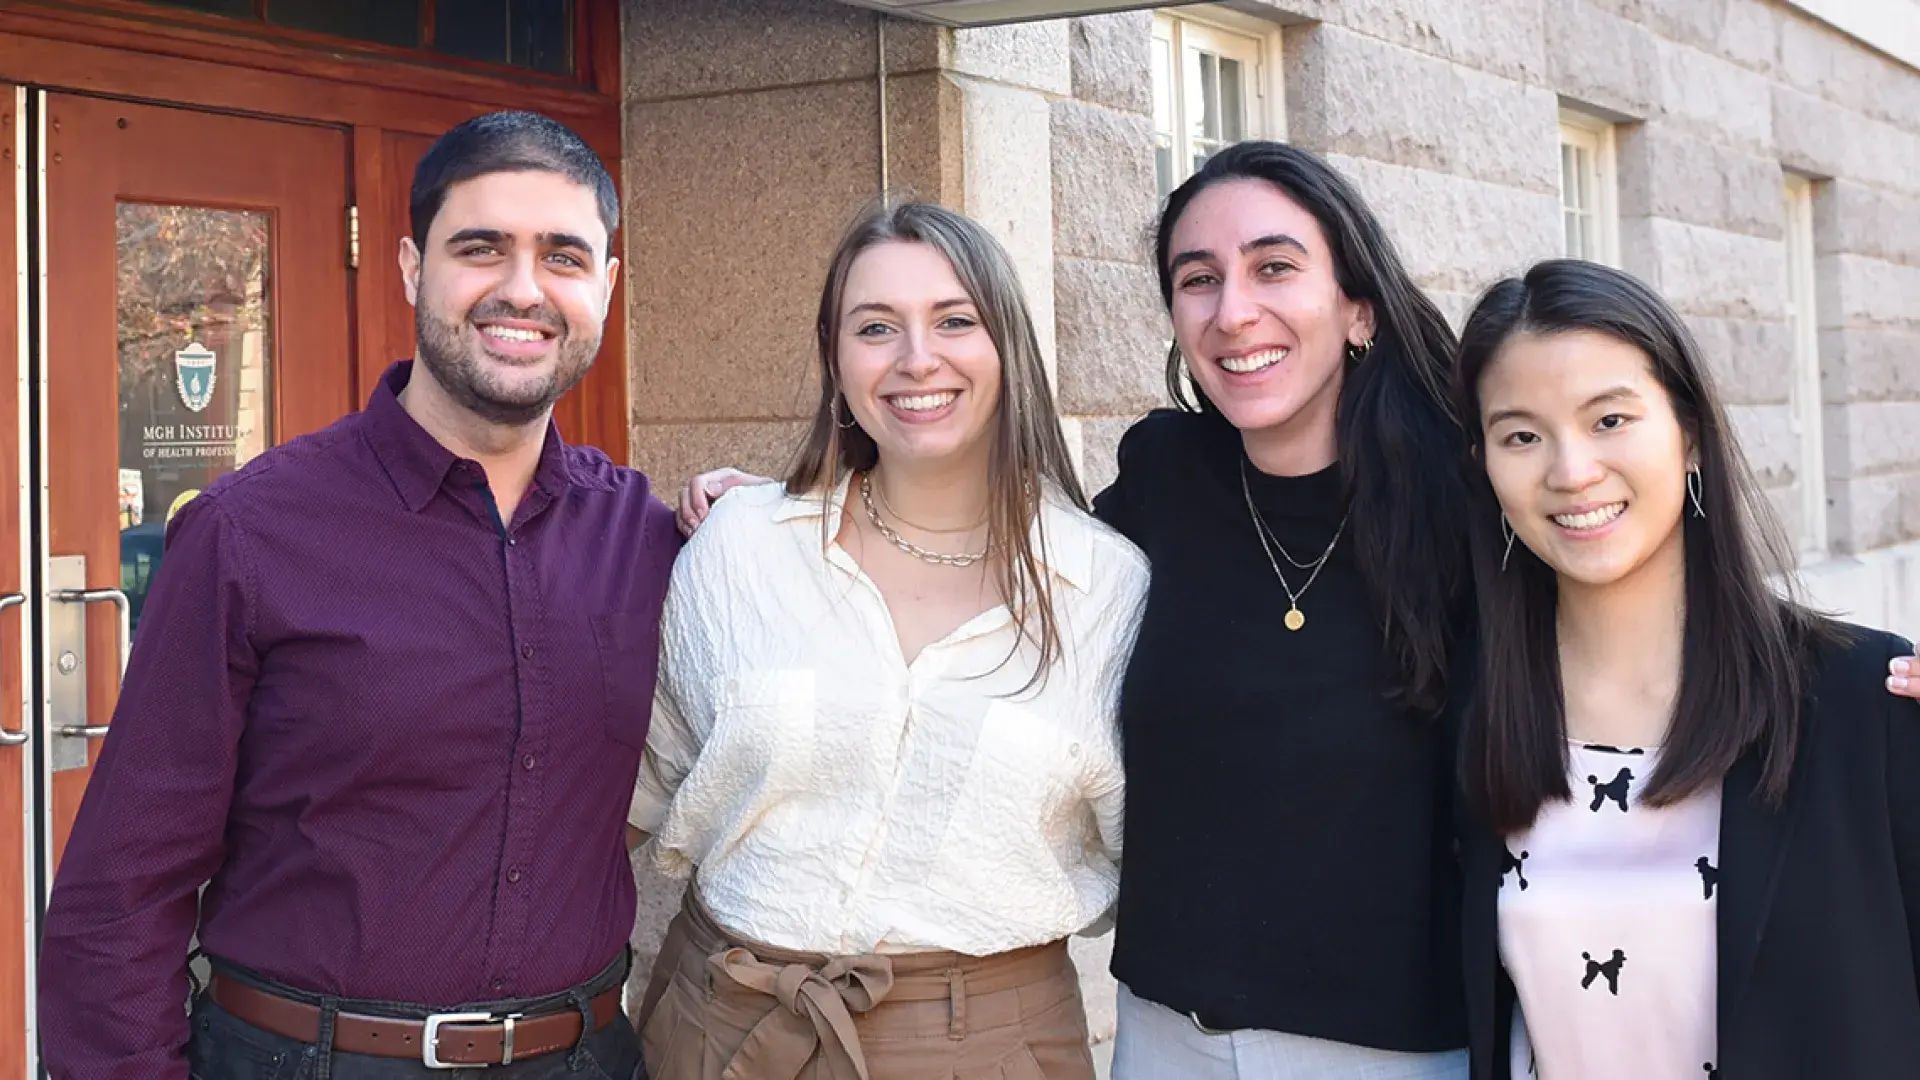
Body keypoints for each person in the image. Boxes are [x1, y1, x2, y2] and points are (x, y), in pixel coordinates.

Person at [675, 142, 1920, 1080]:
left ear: (1357, 304)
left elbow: (1622, 550)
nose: (1235, 311)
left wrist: (1854, 672)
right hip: (1161, 1037)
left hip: (1390, 1051)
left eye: (1275, 268)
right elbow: (999, 564)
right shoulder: (1161, 483)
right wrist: (788, 518)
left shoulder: (1465, 488)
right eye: (1196, 280)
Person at [38, 111, 677, 1080]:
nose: (522, 288)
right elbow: (118, 901)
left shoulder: (645, 535)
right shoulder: (251, 535)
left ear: (606, 288)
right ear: (414, 270)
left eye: (563, 257)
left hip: (584, 1058)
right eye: (481, 248)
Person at [627, 200, 1147, 1080]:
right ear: (835, 357)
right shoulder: (743, 542)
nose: (917, 359)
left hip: (991, 1048)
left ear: (1008, 348)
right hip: (724, 1029)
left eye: (954, 320)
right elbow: (633, 791)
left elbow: (1157, 844)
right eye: (876, 327)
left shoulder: (1110, 589)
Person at [1453, 259, 1920, 1080]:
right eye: (1521, 435)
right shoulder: (1471, 709)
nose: (1570, 471)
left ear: (1690, 432)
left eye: (1609, 420)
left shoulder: (1865, 702)